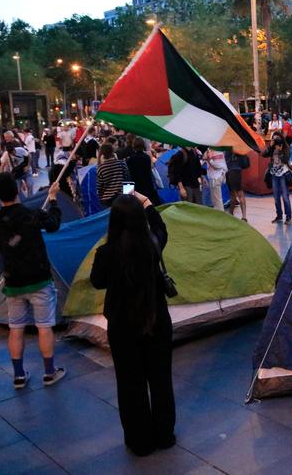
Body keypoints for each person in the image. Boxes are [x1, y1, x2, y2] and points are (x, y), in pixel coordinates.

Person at [90, 193, 175, 457]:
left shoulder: (106, 253)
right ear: (140, 219)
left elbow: (97, 281)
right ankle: (164, 434)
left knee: (129, 384)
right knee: (160, 379)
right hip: (156, 320)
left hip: (122, 327)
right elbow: (162, 230)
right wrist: (148, 204)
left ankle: (140, 441)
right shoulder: (152, 244)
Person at [0, 174, 65, 389]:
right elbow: (53, 224)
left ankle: (18, 375)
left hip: (13, 283)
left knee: (15, 328)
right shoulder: (30, 215)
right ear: (17, 190)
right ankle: (49, 372)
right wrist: (53, 199)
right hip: (39, 280)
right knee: (44, 326)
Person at [264, 133, 292, 224]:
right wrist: (270, 146)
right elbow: (264, 154)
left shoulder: (285, 148)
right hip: (274, 174)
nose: (276, 140)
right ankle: (279, 216)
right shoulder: (272, 148)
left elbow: (286, 159)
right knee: (276, 197)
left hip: (283, 174)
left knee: (285, 197)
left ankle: (288, 217)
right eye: (274, 138)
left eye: (277, 138)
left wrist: (280, 151)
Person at [126, 138, 161, 206]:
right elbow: (148, 173)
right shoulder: (147, 157)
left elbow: (129, 176)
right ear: (143, 146)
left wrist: (128, 193)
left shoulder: (130, 159)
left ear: (134, 146)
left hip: (136, 188)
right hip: (147, 186)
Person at [97, 143, 131, 208]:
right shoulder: (122, 163)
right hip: (122, 197)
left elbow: (100, 187)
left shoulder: (101, 168)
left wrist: (102, 198)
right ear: (113, 152)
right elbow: (128, 179)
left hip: (108, 200)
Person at [224, 149, 247, 221]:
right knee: (233, 194)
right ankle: (231, 214)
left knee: (239, 194)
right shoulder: (230, 145)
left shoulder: (234, 145)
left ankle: (244, 217)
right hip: (230, 170)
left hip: (234, 170)